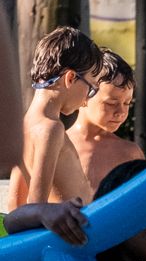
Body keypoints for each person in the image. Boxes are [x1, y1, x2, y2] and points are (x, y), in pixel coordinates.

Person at [10, 27, 101, 211]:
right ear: (70, 78)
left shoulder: (23, 127)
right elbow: (36, 207)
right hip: (69, 238)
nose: (86, 102)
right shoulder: (50, 129)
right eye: (90, 89)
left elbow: (16, 202)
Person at [67, 51, 144, 190]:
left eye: (127, 103)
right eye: (111, 103)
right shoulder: (57, 146)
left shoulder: (129, 153)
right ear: (84, 95)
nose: (121, 112)